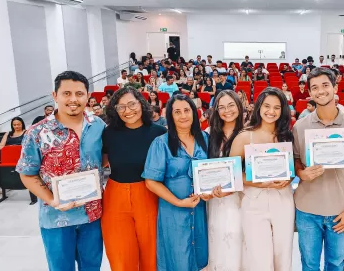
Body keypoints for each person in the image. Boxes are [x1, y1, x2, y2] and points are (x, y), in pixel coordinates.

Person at [17, 71, 106, 270]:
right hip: (56, 218)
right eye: (66, 93)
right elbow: (27, 173)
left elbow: (105, 159)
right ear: (55, 95)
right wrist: (52, 200)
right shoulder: (37, 132)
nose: (73, 99)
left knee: (92, 267)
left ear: (88, 96)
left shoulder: (98, 125)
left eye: (79, 93)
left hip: (92, 215)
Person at [292, 67, 344, 271]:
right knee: (309, 265)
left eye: (325, 85)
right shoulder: (300, 126)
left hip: (339, 211)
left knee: (335, 264)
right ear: (309, 92)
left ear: (335, 87)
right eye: (314, 87)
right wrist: (300, 172)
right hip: (307, 210)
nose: (320, 91)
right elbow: (296, 162)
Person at [101, 87, 167, 271]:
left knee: (152, 253)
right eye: (121, 107)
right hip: (115, 197)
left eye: (132, 104)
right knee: (120, 256)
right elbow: (101, 162)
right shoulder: (109, 133)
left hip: (149, 194)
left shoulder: (160, 132)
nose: (128, 111)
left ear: (141, 103)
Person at [230, 87, 295, 271]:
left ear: (282, 110)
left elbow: (292, 169)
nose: (271, 111)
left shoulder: (286, 136)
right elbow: (232, 173)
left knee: (283, 255)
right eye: (267, 106)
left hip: (283, 199)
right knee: (259, 258)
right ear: (259, 107)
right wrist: (256, 182)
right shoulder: (244, 136)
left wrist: (289, 179)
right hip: (254, 200)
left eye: (276, 107)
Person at [142, 94, 210, 271]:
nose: (183, 116)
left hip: (201, 210)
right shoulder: (161, 143)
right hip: (173, 212)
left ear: (194, 113)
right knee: (177, 259)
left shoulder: (206, 139)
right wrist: (180, 202)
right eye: (177, 112)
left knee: (201, 258)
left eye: (187, 110)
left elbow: (215, 170)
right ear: (170, 116)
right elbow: (151, 182)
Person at [204, 90, 246, 270]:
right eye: (221, 107)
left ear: (239, 106)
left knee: (237, 239)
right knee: (217, 240)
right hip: (214, 198)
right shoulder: (208, 134)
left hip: (240, 198)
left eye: (231, 105)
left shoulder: (248, 132)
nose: (227, 111)